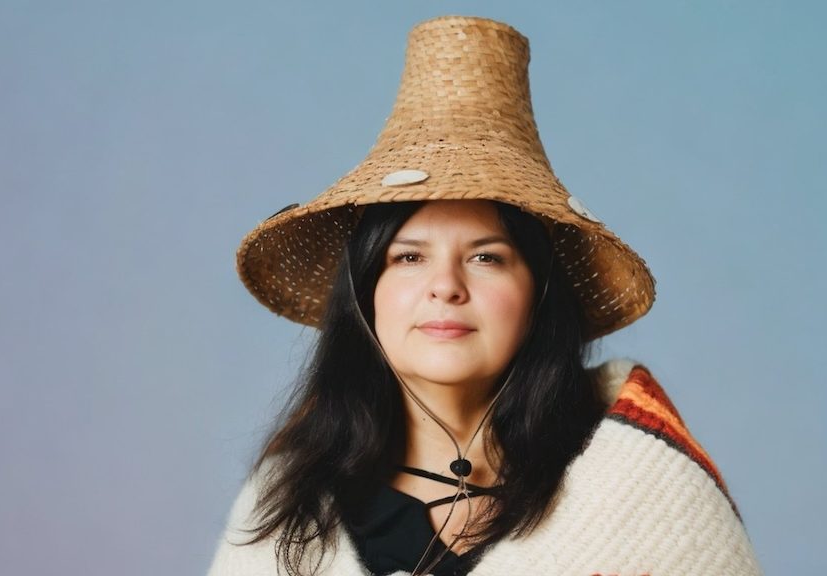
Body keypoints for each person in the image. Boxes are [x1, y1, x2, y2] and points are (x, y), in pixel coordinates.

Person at [208, 15, 762, 576]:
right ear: (364, 292)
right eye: (409, 258)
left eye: (486, 258)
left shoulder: (643, 488)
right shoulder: (279, 512)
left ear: (539, 294)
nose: (446, 287)